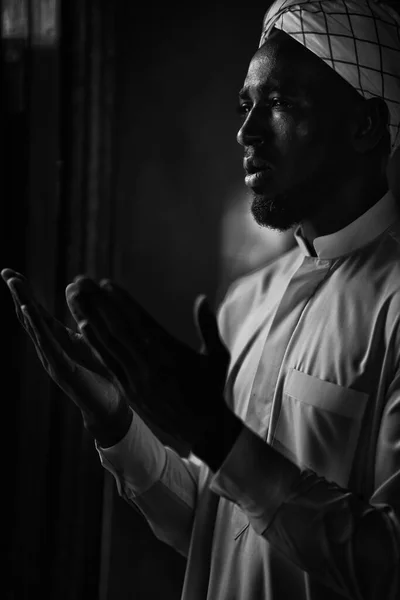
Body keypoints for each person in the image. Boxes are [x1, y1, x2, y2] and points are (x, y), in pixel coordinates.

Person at [2, 0, 400, 598]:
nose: (247, 131)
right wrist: (113, 417)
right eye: (246, 105)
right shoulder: (245, 302)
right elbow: (215, 528)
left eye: (282, 102)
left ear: (366, 124)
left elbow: (389, 563)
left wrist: (218, 436)